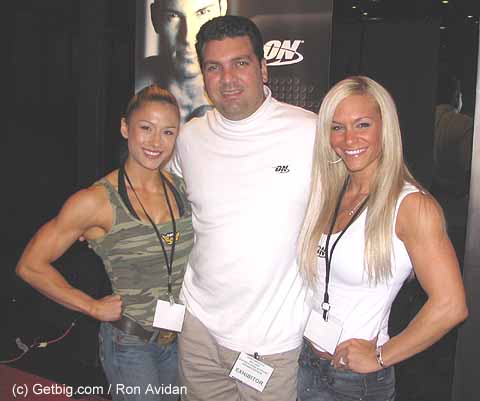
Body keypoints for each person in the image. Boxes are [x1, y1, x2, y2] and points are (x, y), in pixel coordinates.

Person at [170, 15, 317, 401]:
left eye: (240, 63)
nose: (228, 79)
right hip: (198, 331)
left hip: (271, 343)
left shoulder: (311, 133)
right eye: (214, 67)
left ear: (263, 68)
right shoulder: (189, 138)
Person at [16, 85, 194, 401]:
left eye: (167, 132)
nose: (156, 142)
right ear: (125, 128)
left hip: (177, 339)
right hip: (130, 344)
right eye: (146, 128)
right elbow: (30, 266)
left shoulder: (181, 189)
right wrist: (91, 306)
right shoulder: (96, 201)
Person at [296, 76, 468, 401]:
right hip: (307, 362)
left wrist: (380, 356)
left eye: (362, 124)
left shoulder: (412, 206)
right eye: (337, 127)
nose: (349, 139)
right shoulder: (331, 193)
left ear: (385, 128)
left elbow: (451, 305)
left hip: (354, 382)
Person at [137, 0, 228, 122]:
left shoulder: (244, 92)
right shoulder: (130, 87)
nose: (188, 38)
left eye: (202, 13)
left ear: (222, 9)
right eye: (172, 16)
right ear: (154, 17)